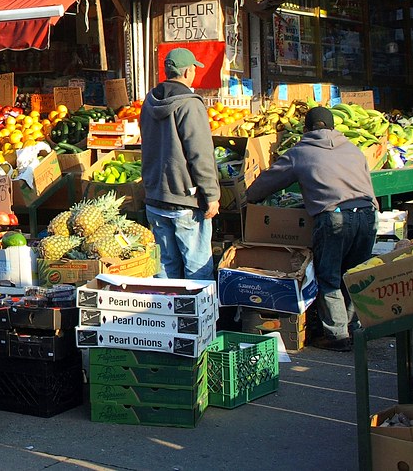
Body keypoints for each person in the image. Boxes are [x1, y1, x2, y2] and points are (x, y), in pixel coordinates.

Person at [244, 106, 378, 351]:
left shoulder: (301, 152)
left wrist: (248, 197)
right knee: (355, 275)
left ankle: (338, 336)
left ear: (305, 130)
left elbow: (268, 182)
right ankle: (355, 328)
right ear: (334, 128)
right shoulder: (353, 149)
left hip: (335, 217)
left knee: (330, 276)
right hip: (368, 214)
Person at [139, 47, 221, 282]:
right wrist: (212, 194)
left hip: (155, 197)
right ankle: (196, 319)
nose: (194, 72)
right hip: (185, 199)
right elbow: (200, 154)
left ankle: (167, 317)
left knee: (165, 268)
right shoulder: (190, 104)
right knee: (197, 269)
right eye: (194, 68)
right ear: (187, 72)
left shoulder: (149, 101)